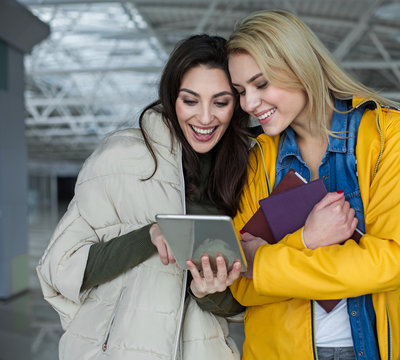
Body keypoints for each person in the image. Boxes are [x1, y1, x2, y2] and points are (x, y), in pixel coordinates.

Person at [226, 10, 400, 360]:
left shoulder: (390, 137)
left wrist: (262, 263)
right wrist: (308, 239)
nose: (249, 104)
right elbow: (242, 288)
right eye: (240, 91)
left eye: (261, 84)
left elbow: (391, 263)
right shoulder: (258, 160)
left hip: (373, 349)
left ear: (299, 66)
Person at [36, 34, 250, 360]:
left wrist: (207, 292)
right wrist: (149, 236)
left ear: (236, 104)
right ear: (170, 96)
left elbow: (240, 305)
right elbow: (59, 269)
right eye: (190, 101)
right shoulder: (120, 156)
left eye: (220, 102)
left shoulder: (242, 175)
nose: (205, 118)